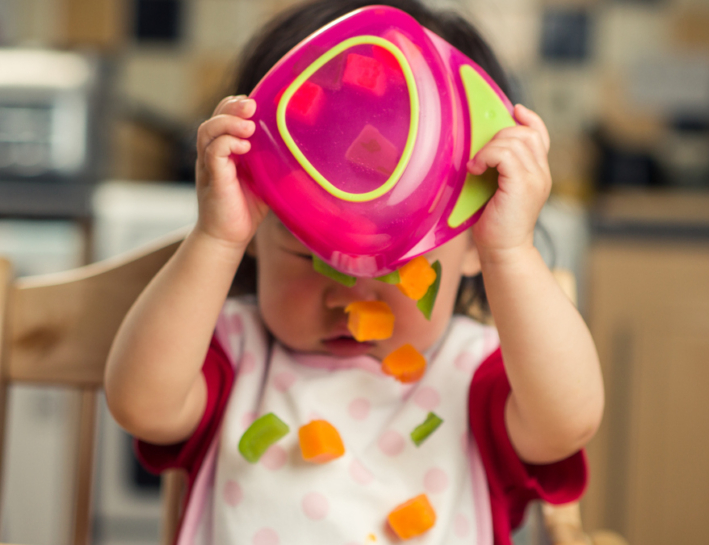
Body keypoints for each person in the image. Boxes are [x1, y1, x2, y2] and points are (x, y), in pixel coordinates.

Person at [104, 1, 604, 543]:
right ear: (256, 232)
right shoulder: (235, 354)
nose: (352, 298)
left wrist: (511, 252)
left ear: (472, 242)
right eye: (306, 256)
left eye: (401, 268)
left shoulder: (477, 376)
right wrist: (216, 236)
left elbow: (566, 425)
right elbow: (141, 406)